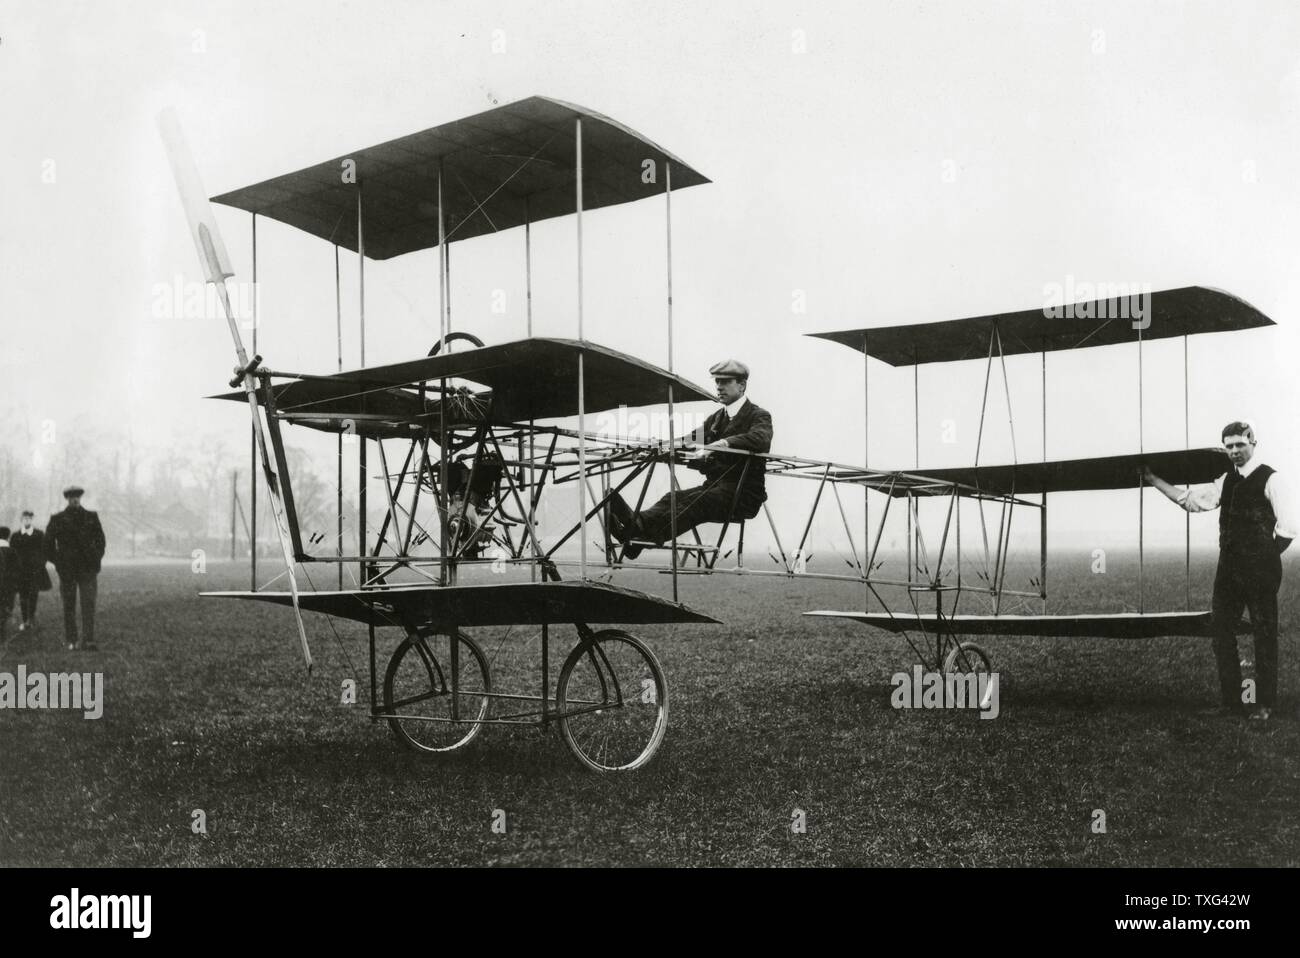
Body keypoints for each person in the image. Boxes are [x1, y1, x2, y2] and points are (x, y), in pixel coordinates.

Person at [1145, 421, 1294, 724]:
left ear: (1254, 442)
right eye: (1229, 446)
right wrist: (1153, 479)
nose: (1235, 451)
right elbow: (1191, 501)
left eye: (1240, 444)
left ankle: (1265, 705)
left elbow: (1290, 525)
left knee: (1264, 635)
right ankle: (1232, 704)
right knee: (1221, 632)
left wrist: (1264, 557)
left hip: (1260, 571)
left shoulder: (1271, 479)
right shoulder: (1225, 481)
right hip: (1228, 571)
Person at [609, 359, 773, 560]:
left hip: (743, 495)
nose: (719, 387)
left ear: (742, 385)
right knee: (673, 497)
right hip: (716, 487)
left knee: (696, 503)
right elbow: (690, 440)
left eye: (725, 382)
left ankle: (641, 538)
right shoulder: (717, 418)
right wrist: (659, 447)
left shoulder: (758, 415)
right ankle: (637, 524)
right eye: (717, 382)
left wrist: (722, 443)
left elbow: (760, 439)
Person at [45, 485, 106, 651]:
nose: (75, 499)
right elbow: (48, 546)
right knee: (69, 605)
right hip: (67, 570)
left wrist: (95, 559)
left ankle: (88, 640)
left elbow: (101, 542)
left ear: (81, 498)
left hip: (88, 569)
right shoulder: (57, 519)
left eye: (78, 496)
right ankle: (71, 639)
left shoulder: (91, 517)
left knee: (88, 604)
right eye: (72, 497)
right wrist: (59, 562)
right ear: (67, 498)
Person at [10, 510, 52, 633]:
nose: (27, 520)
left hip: (35, 570)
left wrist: (40, 564)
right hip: (21, 571)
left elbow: (45, 551)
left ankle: (31, 619)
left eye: (29, 518)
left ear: (32, 519)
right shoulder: (16, 536)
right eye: (25, 518)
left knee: (33, 594)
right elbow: (12, 553)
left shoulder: (39, 534)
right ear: (21, 520)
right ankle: (24, 621)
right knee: (23, 595)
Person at [0, 527, 15, 643]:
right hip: (8, 585)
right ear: (8, 536)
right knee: (5, 607)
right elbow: (18, 569)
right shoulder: (12, 551)